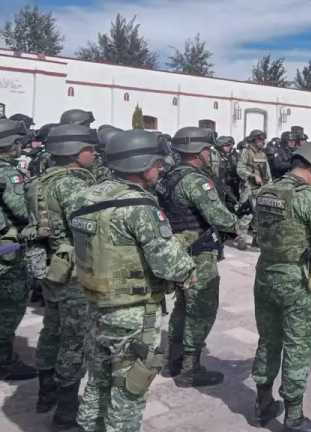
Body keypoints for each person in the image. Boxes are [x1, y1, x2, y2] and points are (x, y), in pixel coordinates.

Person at [69, 129, 196, 432]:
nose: (161, 167)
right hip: (134, 313)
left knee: (97, 383)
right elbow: (170, 264)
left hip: (95, 304)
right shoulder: (140, 207)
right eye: (156, 162)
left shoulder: (82, 196)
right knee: (129, 391)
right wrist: (187, 265)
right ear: (140, 164)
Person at [251, 141, 311, 432]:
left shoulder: (265, 191)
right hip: (296, 283)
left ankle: (263, 403)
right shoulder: (309, 198)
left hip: (265, 275)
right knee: (298, 345)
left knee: (268, 339)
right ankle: (294, 417)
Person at [22, 124, 99, 427]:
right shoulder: (72, 185)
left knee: (51, 329)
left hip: (52, 265)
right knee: (74, 340)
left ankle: (46, 394)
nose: (93, 153)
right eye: (89, 148)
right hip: (74, 272)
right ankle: (66, 411)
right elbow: (90, 228)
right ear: (72, 151)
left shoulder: (40, 181)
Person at [157, 127, 237, 387]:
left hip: (179, 251)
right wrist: (238, 222)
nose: (208, 154)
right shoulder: (195, 180)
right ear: (197, 151)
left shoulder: (170, 175)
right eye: (206, 149)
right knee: (201, 309)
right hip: (198, 253)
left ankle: (174, 361)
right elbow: (219, 218)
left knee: (182, 307)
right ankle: (190, 369)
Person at [0, 119, 36, 382]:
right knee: (9, 309)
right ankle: (4, 362)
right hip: (7, 253)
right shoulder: (7, 173)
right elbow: (22, 211)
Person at [236, 130, 271, 250]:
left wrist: (269, 185)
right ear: (254, 140)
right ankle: (241, 238)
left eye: (263, 140)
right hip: (248, 188)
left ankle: (257, 238)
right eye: (260, 140)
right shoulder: (246, 152)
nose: (263, 142)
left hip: (261, 188)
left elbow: (267, 171)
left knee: (260, 213)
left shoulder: (262, 153)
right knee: (246, 214)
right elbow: (240, 169)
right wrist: (252, 175)